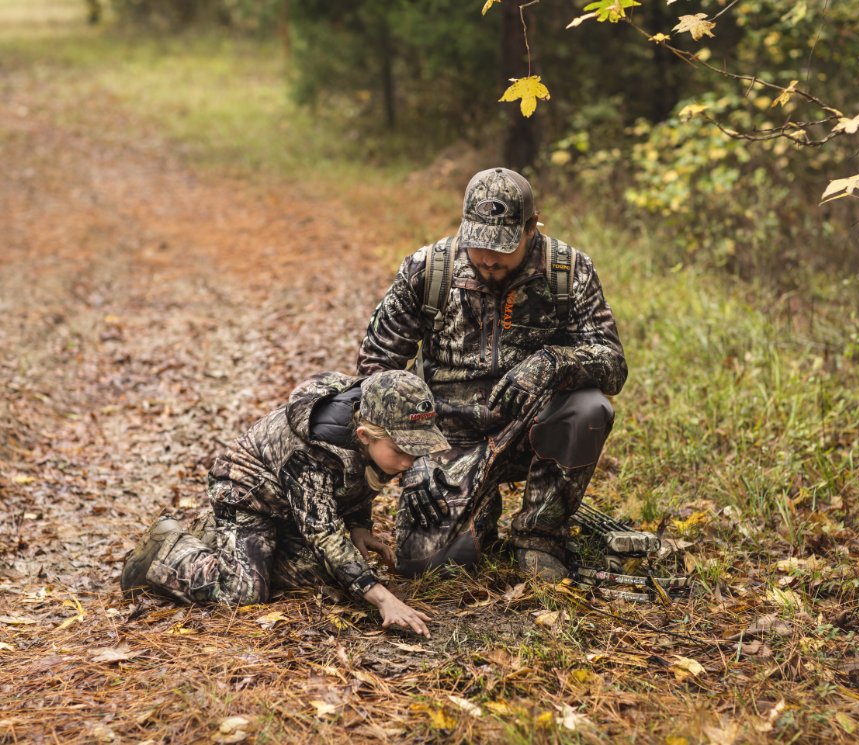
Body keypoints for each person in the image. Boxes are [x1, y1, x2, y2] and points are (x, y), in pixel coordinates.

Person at [357, 167, 628, 580]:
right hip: (446, 436)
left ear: (531, 227)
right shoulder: (428, 270)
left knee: (589, 408)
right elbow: (375, 372)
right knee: (428, 567)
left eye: (501, 247)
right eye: (478, 244)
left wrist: (552, 363)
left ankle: (541, 533)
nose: (487, 259)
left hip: (531, 428)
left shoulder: (568, 272)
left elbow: (612, 364)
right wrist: (414, 458)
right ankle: (478, 512)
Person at [120, 369, 450, 637]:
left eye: (417, 449)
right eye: (402, 450)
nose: (410, 461)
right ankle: (170, 548)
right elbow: (324, 534)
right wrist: (383, 599)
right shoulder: (314, 454)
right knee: (244, 594)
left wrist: (359, 526)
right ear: (364, 435)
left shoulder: (377, 435)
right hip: (248, 498)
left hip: (294, 507)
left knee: (326, 575)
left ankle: (229, 544)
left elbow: (355, 483)